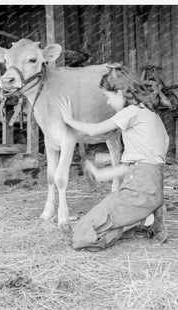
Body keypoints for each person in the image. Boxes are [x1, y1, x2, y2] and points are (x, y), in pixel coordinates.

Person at [56, 64, 169, 251]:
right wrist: (102, 174)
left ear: (119, 93)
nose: (107, 102)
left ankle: (137, 223)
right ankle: (147, 220)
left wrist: (68, 119)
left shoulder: (131, 112)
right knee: (89, 224)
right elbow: (141, 164)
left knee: (81, 236)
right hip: (150, 188)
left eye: (107, 97)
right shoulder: (150, 115)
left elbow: (93, 130)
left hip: (139, 191)